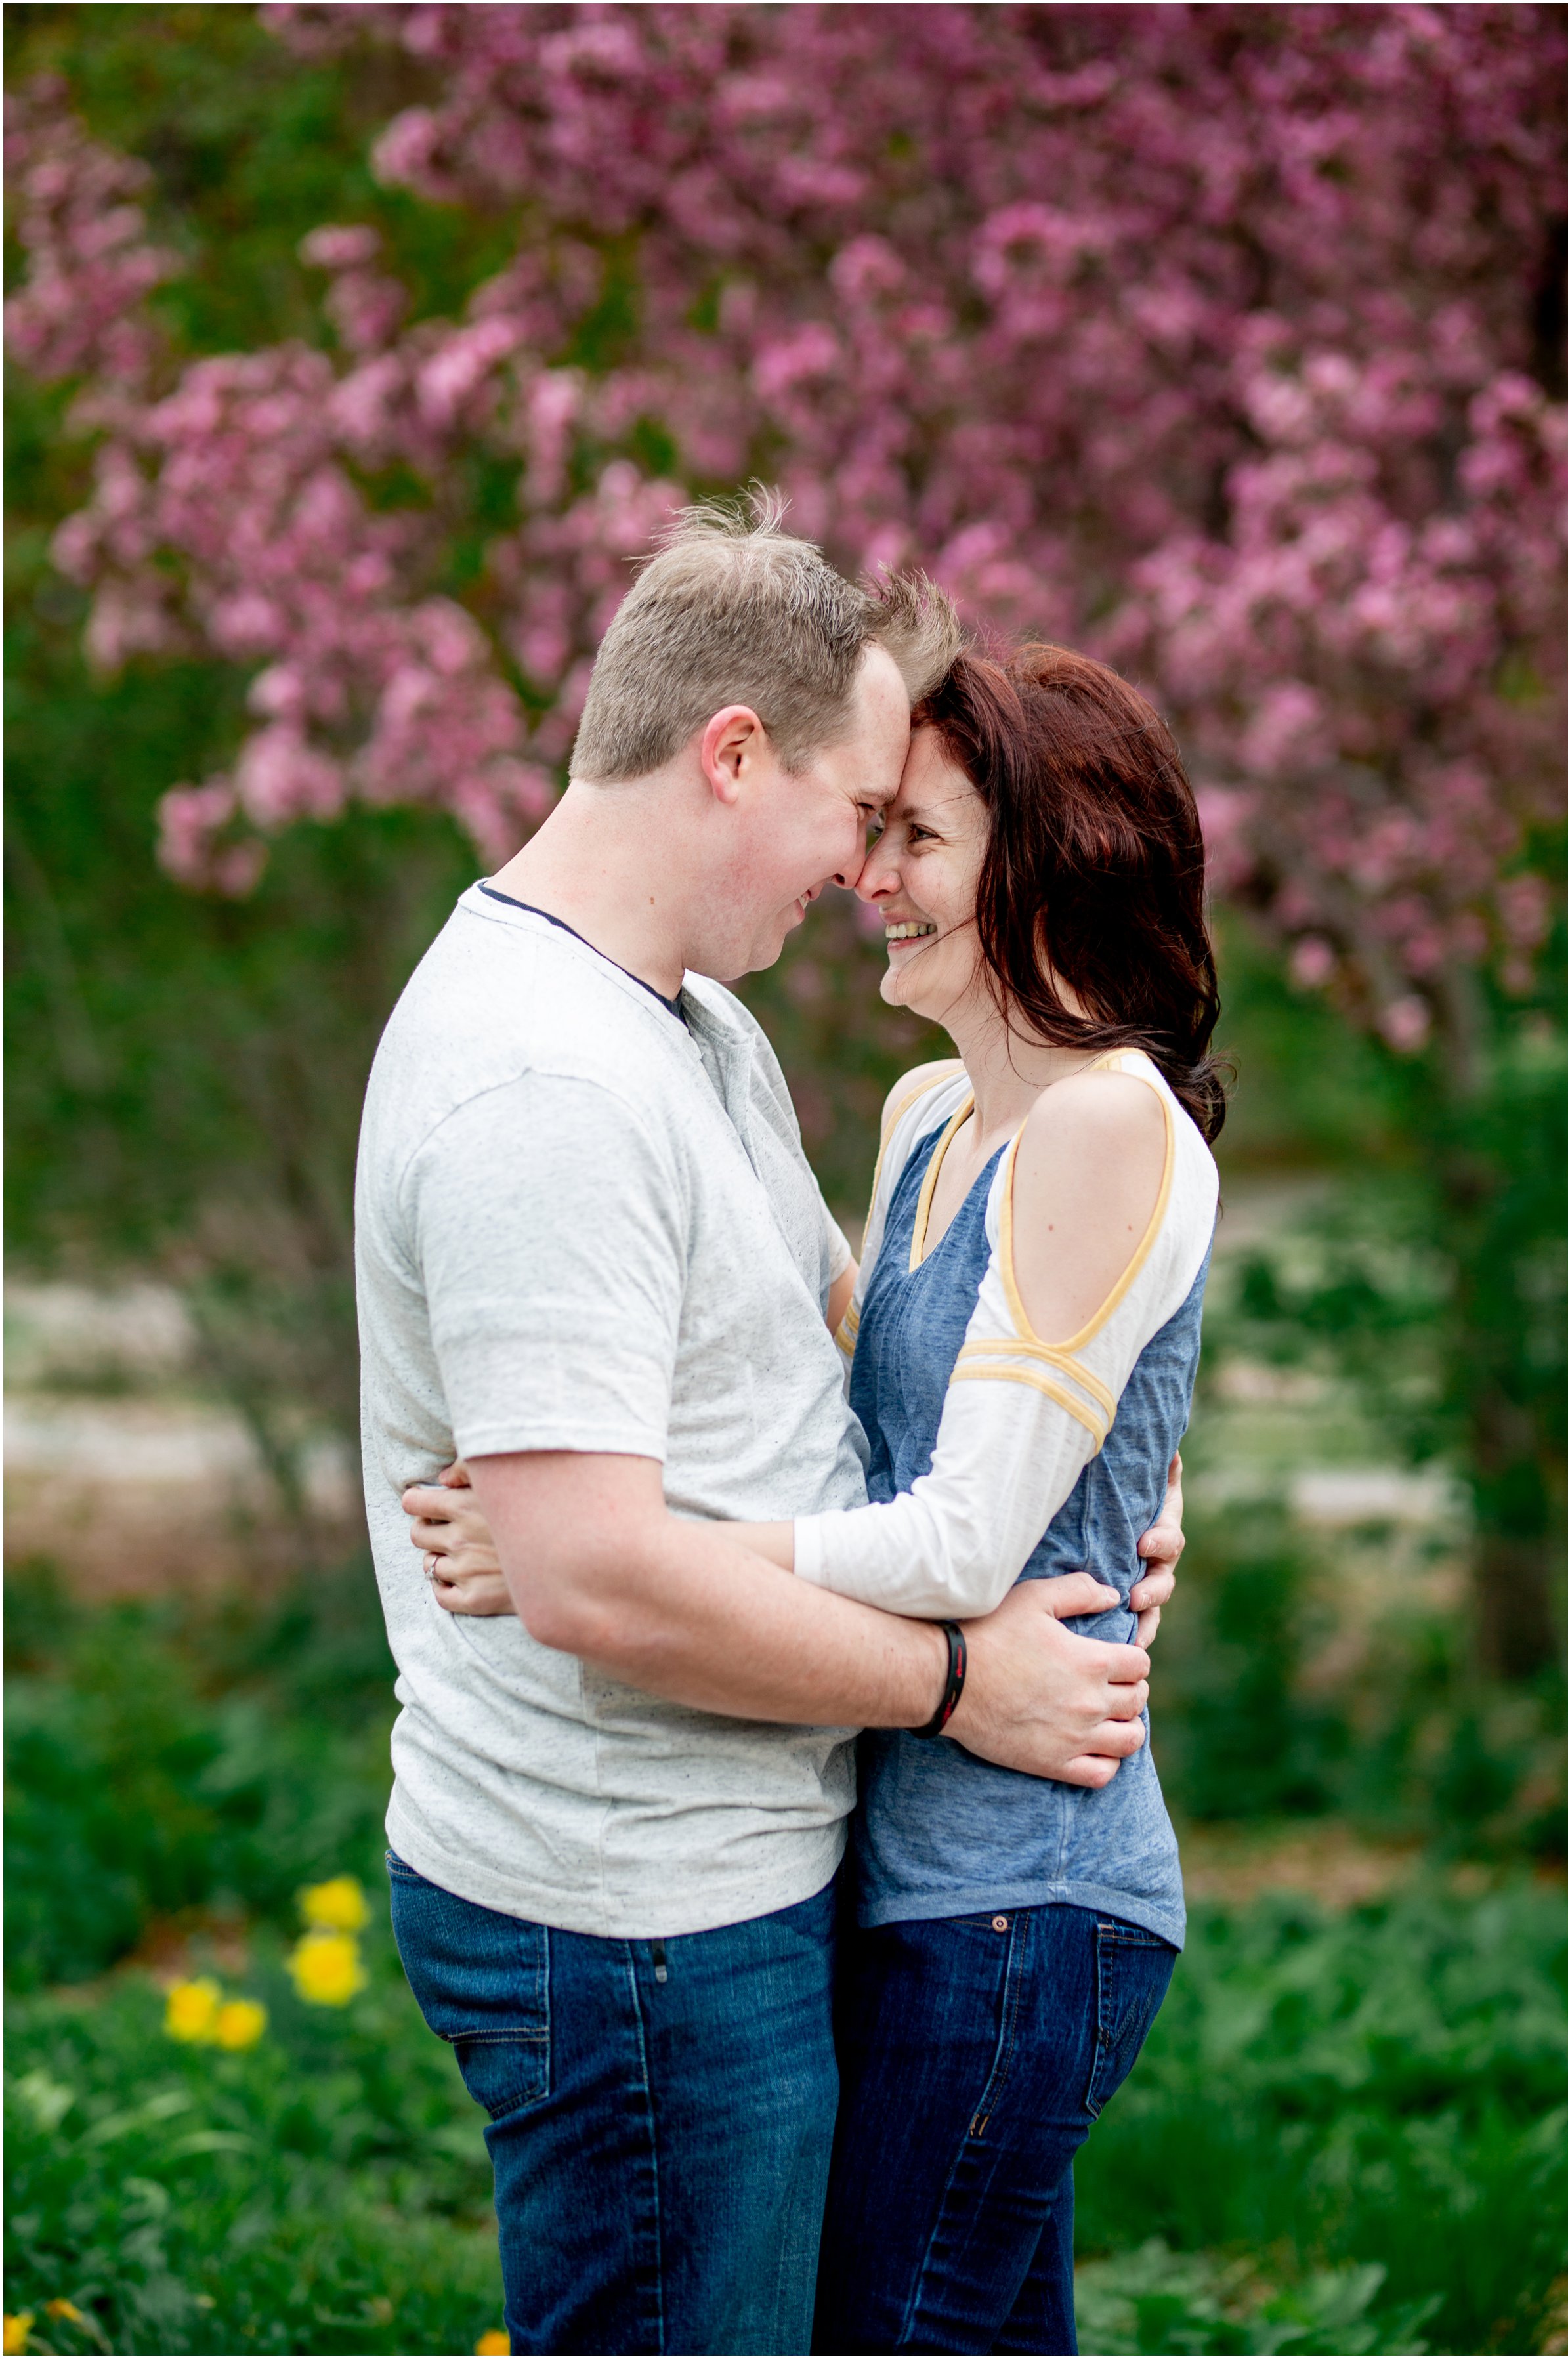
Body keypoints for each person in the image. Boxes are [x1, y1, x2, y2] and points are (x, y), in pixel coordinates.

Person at [357, 494, 1184, 2357]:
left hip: (757, 1877)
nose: (860, 868)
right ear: (734, 757)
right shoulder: (535, 1083)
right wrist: (964, 1681)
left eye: (905, 832)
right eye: (853, 810)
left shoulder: (689, 1031)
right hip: (634, 1921)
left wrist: (1114, 1477)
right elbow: (592, 1585)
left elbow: (878, 1333)